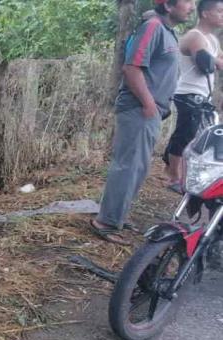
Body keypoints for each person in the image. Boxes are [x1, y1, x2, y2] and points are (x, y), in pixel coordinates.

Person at [90, 0, 196, 245]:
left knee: (137, 167)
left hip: (150, 110)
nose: (192, 6)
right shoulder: (152, 27)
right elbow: (131, 69)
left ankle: (116, 216)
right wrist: (149, 105)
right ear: (168, 5)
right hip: (139, 108)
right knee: (128, 166)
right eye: (187, 1)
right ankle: (106, 222)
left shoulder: (168, 32)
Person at [164, 0, 223, 193]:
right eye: (219, 11)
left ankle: (179, 170)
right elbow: (205, 64)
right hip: (188, 93)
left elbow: (217, 61)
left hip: (202, 95)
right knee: (185, 135)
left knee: (199, 137)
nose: (222, 15)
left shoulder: (212, 40)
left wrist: (215, 60)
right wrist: (215, 61)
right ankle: (173, 177)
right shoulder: (194, 36)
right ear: (205, 13)